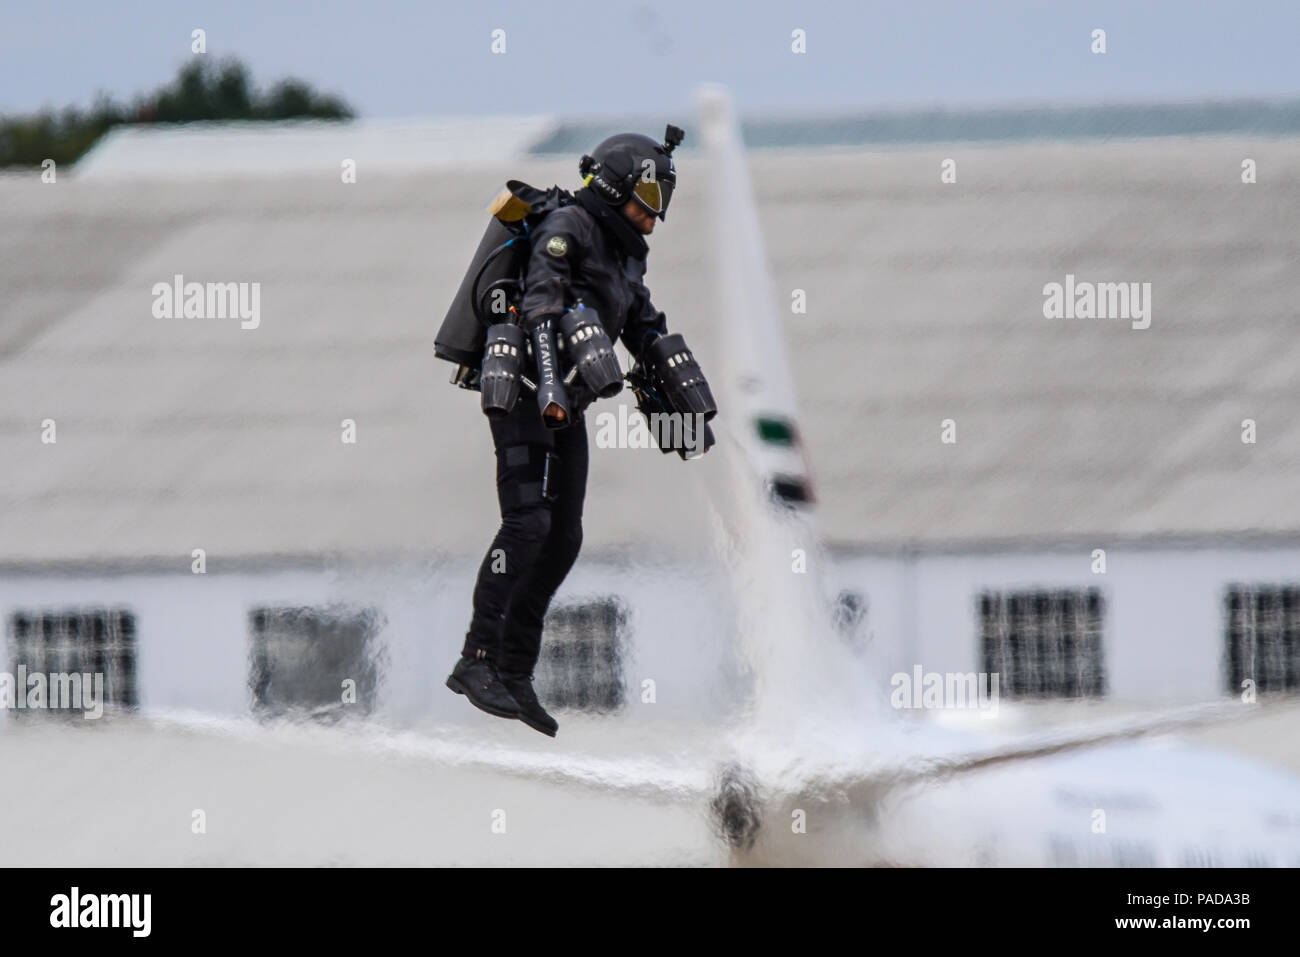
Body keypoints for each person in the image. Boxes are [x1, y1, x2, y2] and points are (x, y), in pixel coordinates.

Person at [445, 129, 698, 737]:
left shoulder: (625, 252)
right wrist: (553, 388)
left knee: (564, 536)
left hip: (569, 402)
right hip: (525, 389)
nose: (653, 213)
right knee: (528, 522)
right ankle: (475, 660)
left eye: (661, 199)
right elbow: (540, 304)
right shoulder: (569, 226)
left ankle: (513, 669)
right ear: (612, 185)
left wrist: (684, 402)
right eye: (645, 197)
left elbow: (640, 322)